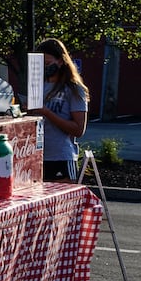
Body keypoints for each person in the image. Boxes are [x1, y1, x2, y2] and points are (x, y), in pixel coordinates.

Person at [28, 37, 90, 181]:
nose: (45, 68)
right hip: (37, 156)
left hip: (61, 156)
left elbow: (79, 129)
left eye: (48, 63)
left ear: (61, 61)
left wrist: (47, 113)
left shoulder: (74, 89)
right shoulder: (37, 87)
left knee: (65, 200)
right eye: (41, 65)